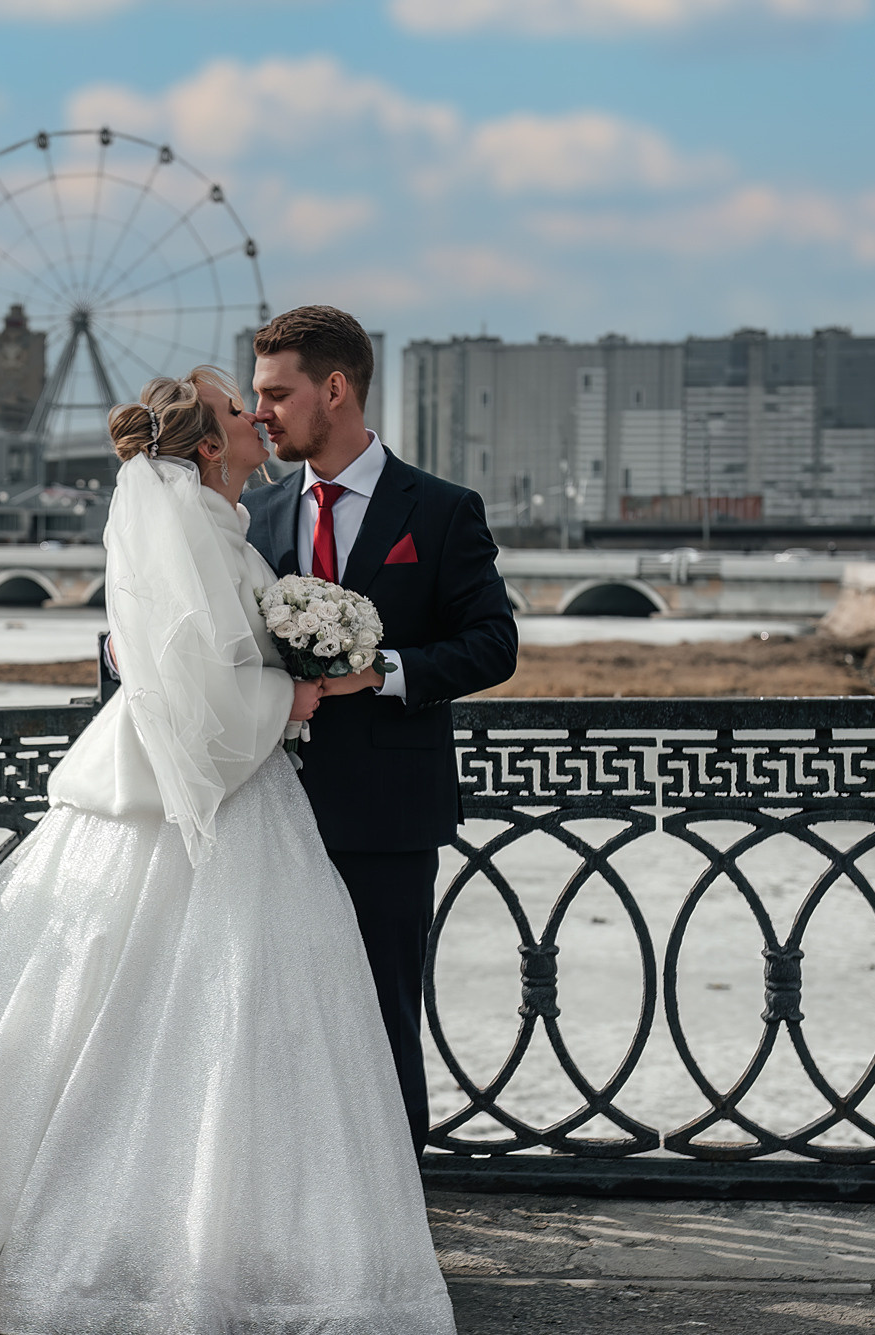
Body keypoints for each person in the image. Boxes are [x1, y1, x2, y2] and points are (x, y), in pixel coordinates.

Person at [0, 366, 458, 1334]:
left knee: (129, 1019)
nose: (258, 420)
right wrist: (292, 697)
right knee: (216, 1027)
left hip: (192, 791)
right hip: (226, 797)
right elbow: (208, 691)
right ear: (210, 447)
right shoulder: (206, 528)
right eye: (239, 410)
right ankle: (209, 1252)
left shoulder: (208, 520)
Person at [243, 306, 519, 1156]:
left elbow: (493, 644)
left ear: (336, 389)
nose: (263, 414)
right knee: (274, 1017)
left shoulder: (438, 511)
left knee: (382, 1010)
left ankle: (397, 1206)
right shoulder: (257, 519)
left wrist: (382, 670)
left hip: (389, 817)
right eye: (256, 397)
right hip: (267, 810)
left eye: (278, 394)